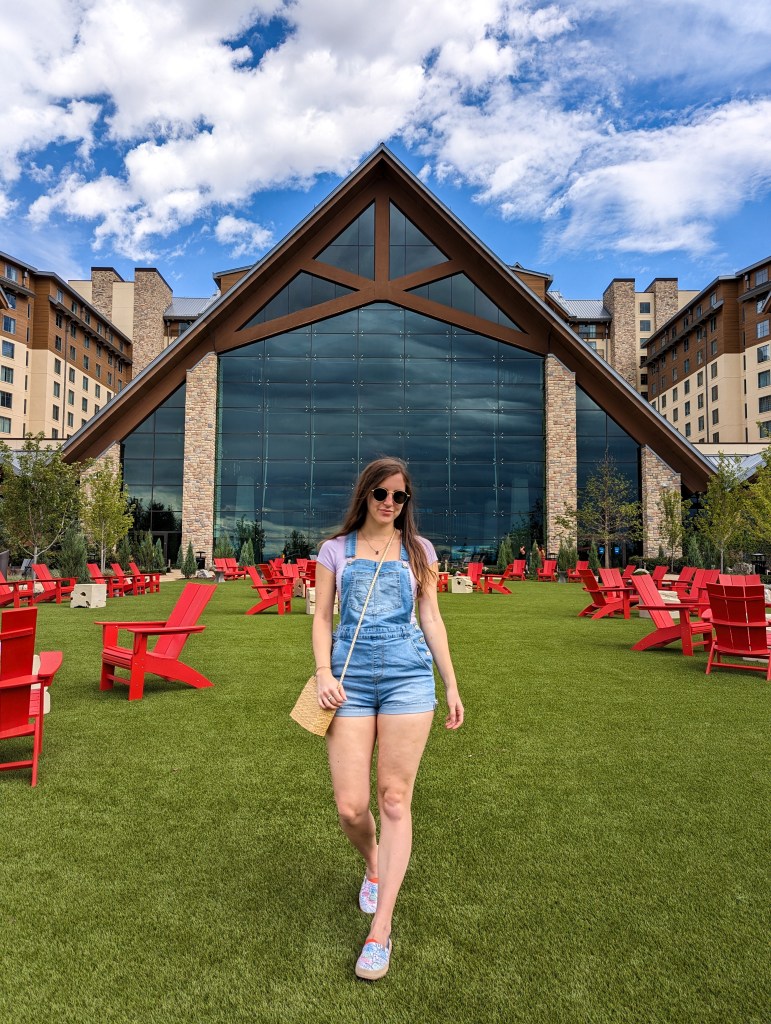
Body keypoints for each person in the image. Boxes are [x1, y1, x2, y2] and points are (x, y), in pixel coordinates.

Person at [312, 457, 464, 981]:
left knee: (395, 798)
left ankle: (381, 928)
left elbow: (431, 617)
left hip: (408, 676)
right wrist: (322, 672)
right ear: (366, 494)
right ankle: (373, 863)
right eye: (381, 493)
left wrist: (451, 683)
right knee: (351, 806)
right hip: (348, 679)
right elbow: (322, 617)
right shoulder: (334, 550)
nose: (389, 503)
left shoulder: (420, 551)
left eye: (400, 497)